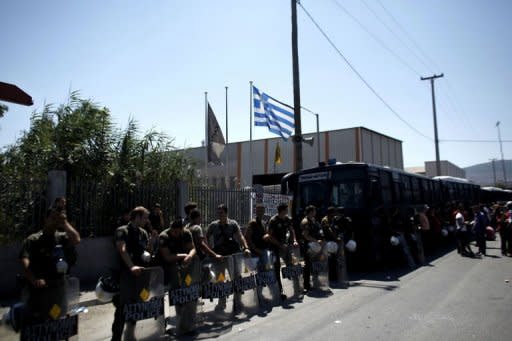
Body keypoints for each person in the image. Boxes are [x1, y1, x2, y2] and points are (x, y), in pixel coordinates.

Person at [19, 206, 80, 297]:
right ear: (45, 219)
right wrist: (34, 280)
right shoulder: (33, 240)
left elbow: (76, 240)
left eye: (57, 219)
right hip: (39, 289)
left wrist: (64, 222)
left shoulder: (61, 238)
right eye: (53, 218)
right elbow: (25, 262)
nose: (55, 221)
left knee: (62, 310)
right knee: (38, 310)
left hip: (59, 287)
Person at [111, 206, 151, 341]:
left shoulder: (143, 233)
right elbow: (122, 250)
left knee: (136, 306)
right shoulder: (122, 231)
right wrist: (132, 267)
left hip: (140, 275)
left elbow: (145, 250)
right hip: (125, 275)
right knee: (122, 308)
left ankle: (130, 335)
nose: (146, 220)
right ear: (137, 217)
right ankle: (116, 338)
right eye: (144, 217)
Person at [206, 204, 250, 311]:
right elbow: (205, 238)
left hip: (233, 256)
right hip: (220, 258)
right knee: (220, 279)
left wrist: (246, 248)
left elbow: (240, 236)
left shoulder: (233, 224)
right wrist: (211, 251)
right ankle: (222, 303)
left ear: (226, 213)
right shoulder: (213, 225)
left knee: (236, 278)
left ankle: (238, 302)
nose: (219, 214)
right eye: (218, 212)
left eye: (221, 212)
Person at [159, 219, 197, 336]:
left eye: (178, 232)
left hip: (183, 267)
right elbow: (167, 257)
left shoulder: (186, 233)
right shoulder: (164, 236)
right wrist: (183, 255)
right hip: (166, 269)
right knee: (169, 297)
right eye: (174, 232)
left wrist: (190, 256)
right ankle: (163, 327)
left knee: (185, 295)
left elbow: (193, 248)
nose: (176, 234)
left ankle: (185, 325)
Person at [266, 202, 298, 299]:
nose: (287, 211)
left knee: (291, 264)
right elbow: (269, 236)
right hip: (274, 247)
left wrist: (294, 241)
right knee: (276, 268)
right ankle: (279, 291)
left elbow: (291, 230)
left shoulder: (287, 219)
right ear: (282, 210)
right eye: (286, 210)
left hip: (285, 245)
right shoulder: (273, 220)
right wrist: (280, 245)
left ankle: (296, 287)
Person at [300, 205, 324, 292]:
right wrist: (316, 241)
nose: (315, 212)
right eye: (314, 211)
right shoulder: (306, 221)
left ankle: (315, 282)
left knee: (315, 264)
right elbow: (305, 236)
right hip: (309, 246)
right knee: (308, 266)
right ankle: (306, 285)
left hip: (315, 246)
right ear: (311, 212)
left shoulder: (313, 220)